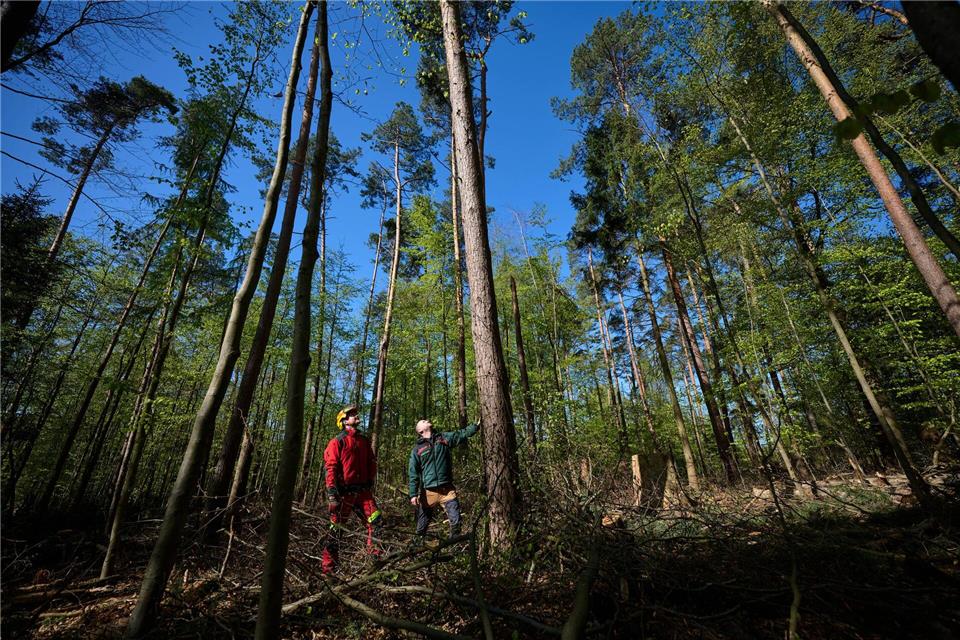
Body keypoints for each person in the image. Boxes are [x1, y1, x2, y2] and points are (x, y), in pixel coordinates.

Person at [321, 404, 382, 573]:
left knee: (376, 523)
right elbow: (330, 467)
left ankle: (373, 561)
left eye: (356, 414)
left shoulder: (363, 441)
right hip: (343, 494)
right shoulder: (337, 442)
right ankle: (329, 570)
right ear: (344, 420)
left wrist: (370, 479)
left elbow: (371, 461)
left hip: (363, 494)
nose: (357, 416)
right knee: (335, 531)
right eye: (352, 414)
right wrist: (332, 493)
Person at [407, 418, 479, 541]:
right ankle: (416, 547)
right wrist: (413, 494)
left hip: (447, 490)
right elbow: (413, 472)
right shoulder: (417, 449)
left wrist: (474, 427)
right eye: (423, 421)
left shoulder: (443, 438)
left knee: (456, 521)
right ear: (420, 430)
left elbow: (460, 434)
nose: (426, 420)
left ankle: (453, 547)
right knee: (422, 526)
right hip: (429, 492)